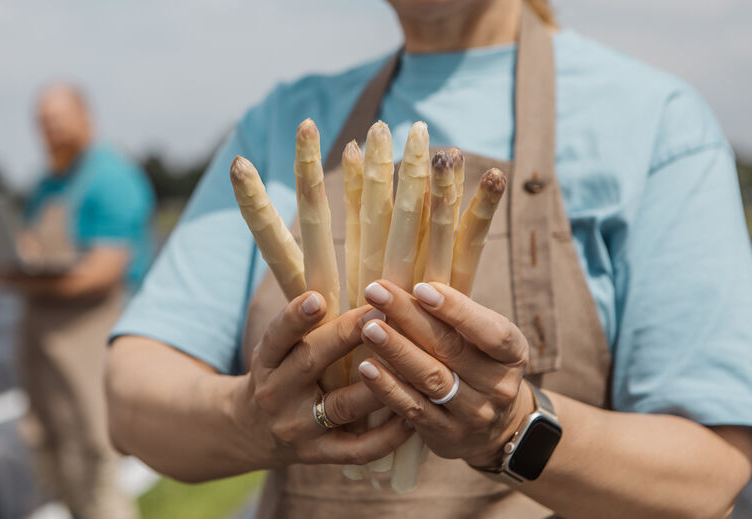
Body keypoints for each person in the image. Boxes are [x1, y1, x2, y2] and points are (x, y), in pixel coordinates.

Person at [105, 1, 752, 517]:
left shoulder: (653, 122)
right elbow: (130, 396)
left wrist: (512, 428)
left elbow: (708, 475)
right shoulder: (280, 125)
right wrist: (251, 419)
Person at [0, 84, 153, 518]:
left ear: (85, 117)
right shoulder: (49, 181)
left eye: (58, 118)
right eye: (42, 121)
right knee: (48, 438)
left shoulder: (111, 177)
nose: (50, 129)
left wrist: (17, 280)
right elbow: (34, 242)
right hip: (44, 324)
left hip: (90, 323)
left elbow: (100, 273)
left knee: (93, 447)